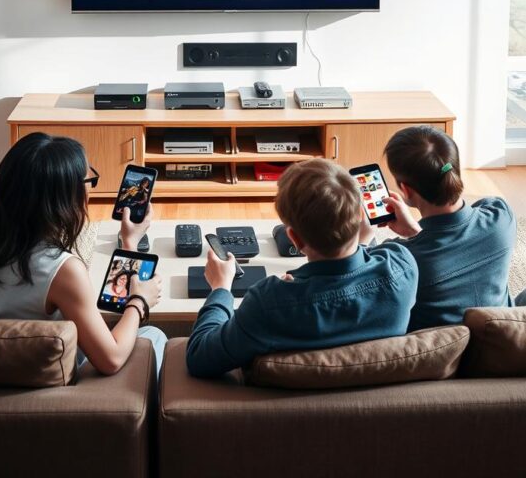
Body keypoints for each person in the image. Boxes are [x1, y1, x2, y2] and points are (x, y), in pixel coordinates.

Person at [0, 132, 167, 374]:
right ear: (66, 196)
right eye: (88, 181)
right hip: (27, 386)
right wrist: (139, 301)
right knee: (153, 336)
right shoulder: (62, 270)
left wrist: (129, 243)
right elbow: (111, 359)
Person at [186, 159, 418, 379]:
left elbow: (198, 357)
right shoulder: (403, 266)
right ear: (360, 216)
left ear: (294, 238)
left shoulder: (268, 303)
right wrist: (370, 243)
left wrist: (221, 289)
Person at [377, 126, 516, 330]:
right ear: (455, 169)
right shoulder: (501, 216)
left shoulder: (401, 260)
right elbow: (455, 239)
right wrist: (416, 233)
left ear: (405, 190)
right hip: (507, 338)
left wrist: (413, 237)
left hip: (449, 357)